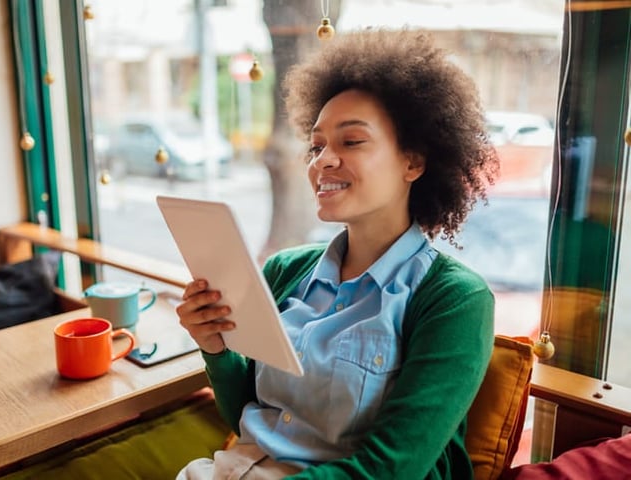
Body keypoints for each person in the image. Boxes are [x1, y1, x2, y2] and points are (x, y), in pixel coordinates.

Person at [176, 27, 500, 479]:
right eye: (316, 145)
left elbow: (392, 469)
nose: (322, 160)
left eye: (351, 141)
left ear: (414, 161)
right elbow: (254, 421)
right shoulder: (285, 270)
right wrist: (215, 349)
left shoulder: (454, 300)